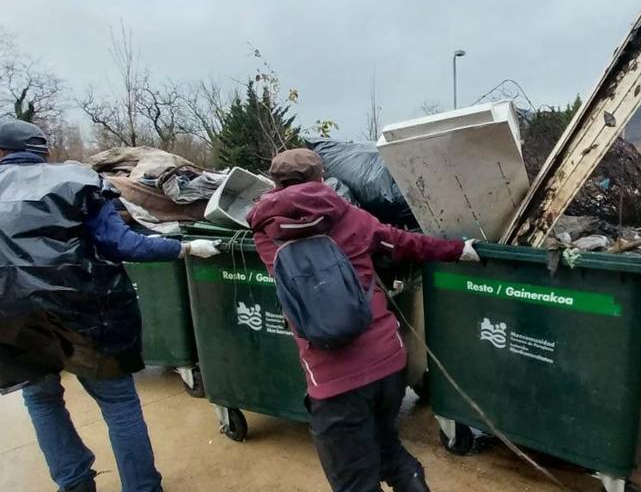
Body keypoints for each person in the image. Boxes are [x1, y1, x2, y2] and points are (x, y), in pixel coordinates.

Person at [0, 119, 221, 492]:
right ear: (43, 152)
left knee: (42, 401)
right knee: (118, 404)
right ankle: (142, 487)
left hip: (15, 320)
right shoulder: (75, 181)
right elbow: (125, 245)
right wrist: (183, 248)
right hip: (86, 315)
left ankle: (75, 483)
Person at [247, 148, 480, 492]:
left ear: (275, 182)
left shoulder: (265, 233)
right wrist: (458, 250)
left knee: (354, 481)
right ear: (322, 178)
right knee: (387, 449)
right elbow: (405, 244)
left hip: (333, 381)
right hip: (387, 366)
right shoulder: (351, 217)